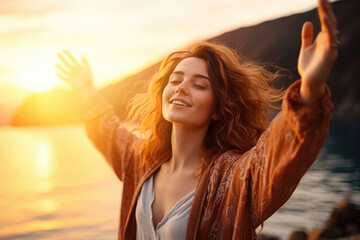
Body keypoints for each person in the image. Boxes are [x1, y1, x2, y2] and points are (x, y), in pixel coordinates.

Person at [55, 0, 338, 239]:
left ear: (217, 108)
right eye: (175, 80)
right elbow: (109, 131)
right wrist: (85, 91)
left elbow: (276, 154)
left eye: (199, 85)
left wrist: (309, 92)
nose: (180, 87)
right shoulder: (141, 161)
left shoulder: (233, 177)